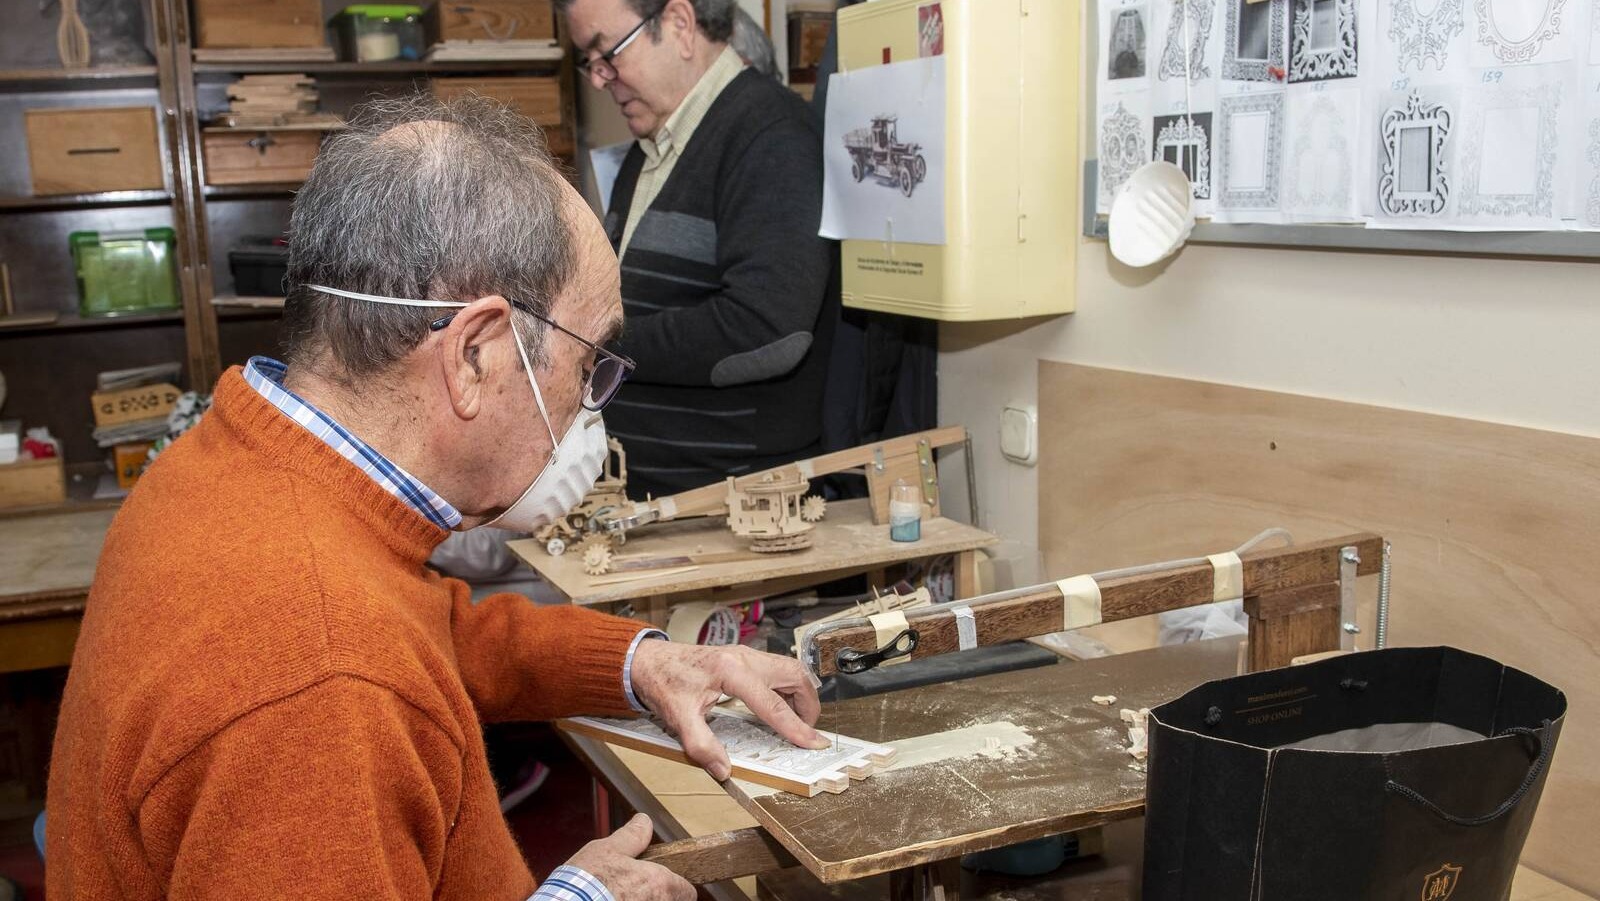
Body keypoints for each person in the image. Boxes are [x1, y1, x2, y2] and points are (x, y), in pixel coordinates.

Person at [45, 95, 827, 901]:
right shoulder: (319, 677)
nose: (590, 400)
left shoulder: (235, 463)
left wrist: (645, 662)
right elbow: (352, 662)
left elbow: (424, 634)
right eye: (588, 360)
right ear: (476, 355)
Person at [558, 0, 836, 499]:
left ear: (681, 25)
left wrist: (594, 344)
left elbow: (766, 330)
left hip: (729, 502)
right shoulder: (648, 152)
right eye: (589, 61)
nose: (599, 79)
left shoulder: (771, 136)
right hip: (650, 492)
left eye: (608, 53)